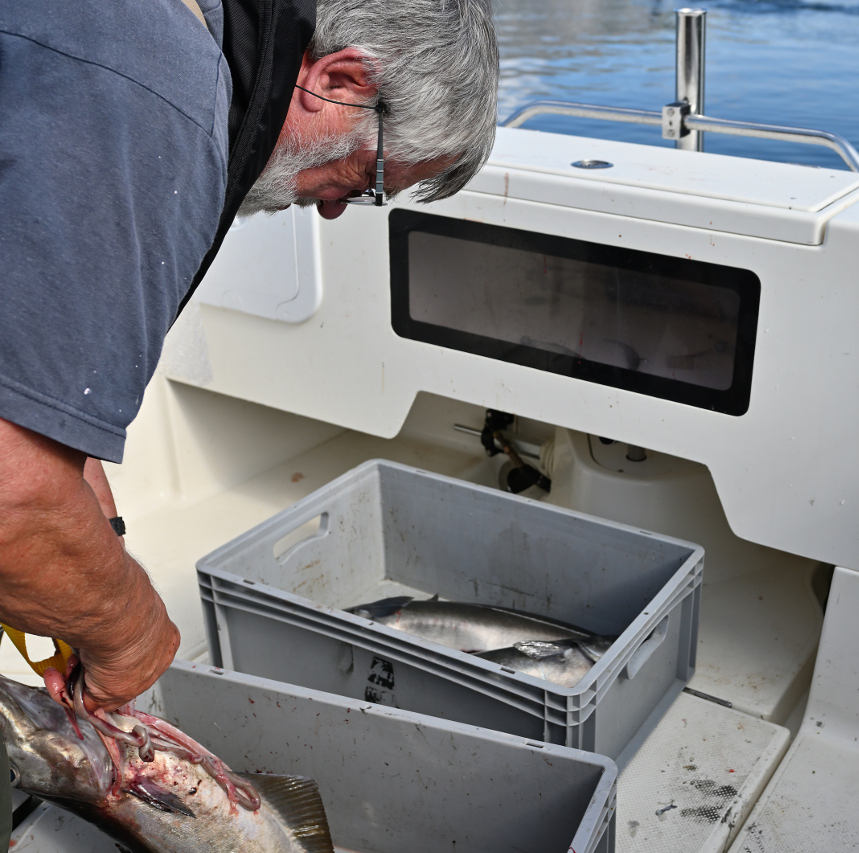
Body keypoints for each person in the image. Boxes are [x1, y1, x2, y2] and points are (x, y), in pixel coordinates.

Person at [0, 0, 497, 834]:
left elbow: (37, 389)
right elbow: (11, 494)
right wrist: (129, 631)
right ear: (338, 81)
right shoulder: (154, 98)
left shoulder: (154, 34)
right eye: (373, 181)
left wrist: (97, 544)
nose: (339, 209)